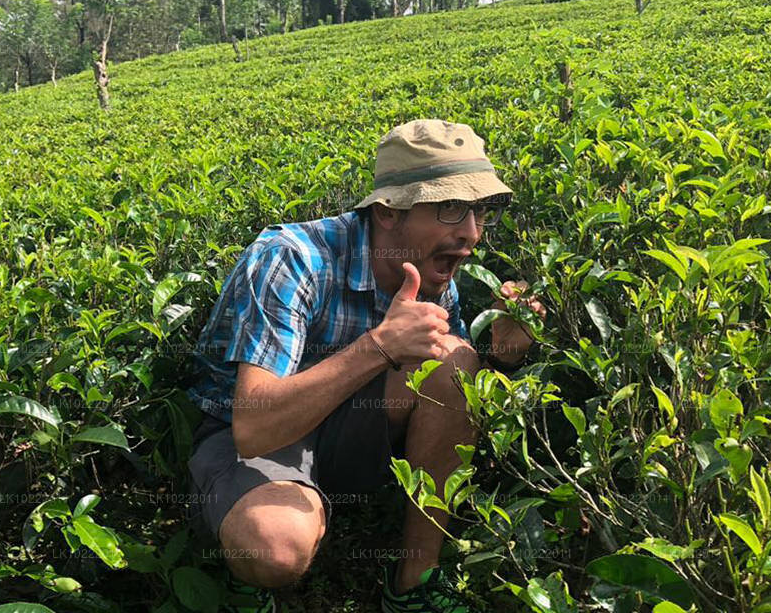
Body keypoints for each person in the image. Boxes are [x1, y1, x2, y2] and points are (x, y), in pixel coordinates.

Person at [184, 119, 543, 613]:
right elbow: (253, 428)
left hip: (351, 425)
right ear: (388, 211)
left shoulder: (432, 269)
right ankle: (248, 572)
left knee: (454, 359)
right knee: (274, 546)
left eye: (479, 211)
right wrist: (378, 347)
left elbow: (450, 397)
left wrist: (503, 356)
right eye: (451, 208)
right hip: (255, 437)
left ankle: (414, 584)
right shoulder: (292, 258)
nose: (471, 233)